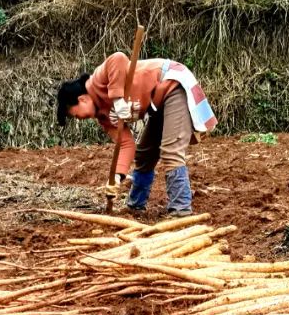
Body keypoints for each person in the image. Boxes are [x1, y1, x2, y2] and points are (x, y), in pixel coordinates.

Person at [56, 52, 216, 215]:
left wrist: (117, 99)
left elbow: (118, 58)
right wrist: (117, 177)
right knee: (144, 154)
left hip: (172, 85)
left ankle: (181, 209)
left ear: (82, 99)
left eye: (74, 114)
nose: (78, 119)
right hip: (157, 105)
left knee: (171, 151)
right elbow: (125, 144)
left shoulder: (97, 80)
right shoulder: (104, 117)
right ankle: (135, 206)